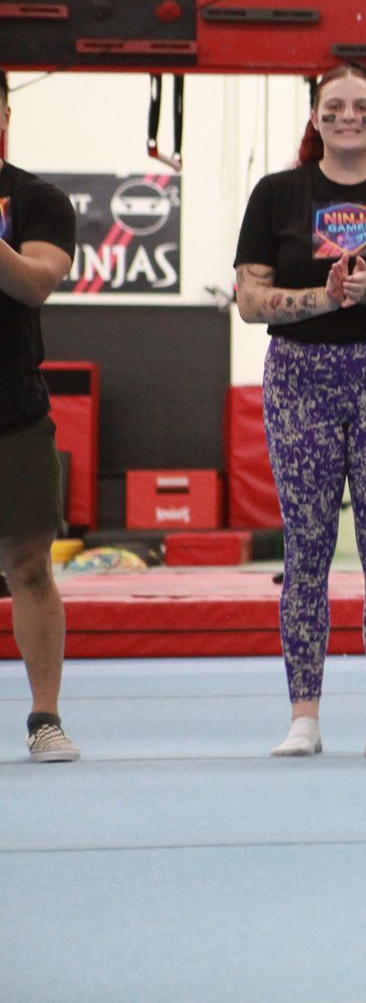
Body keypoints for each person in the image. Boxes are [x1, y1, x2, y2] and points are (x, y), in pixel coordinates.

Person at [234, 64, 366, 757]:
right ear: (316, 115)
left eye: (362, 106)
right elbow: (250, 300)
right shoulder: (278, 195)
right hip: (302, 375)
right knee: (307, 548)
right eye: (335, 106)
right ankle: (305, 714)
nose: (349, 116)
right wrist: (326, 298)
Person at [0, 71, 82, 762]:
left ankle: (44, 720)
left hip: (11, 410)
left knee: (29, 564)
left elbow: (34, 282)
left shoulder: (37, 200)